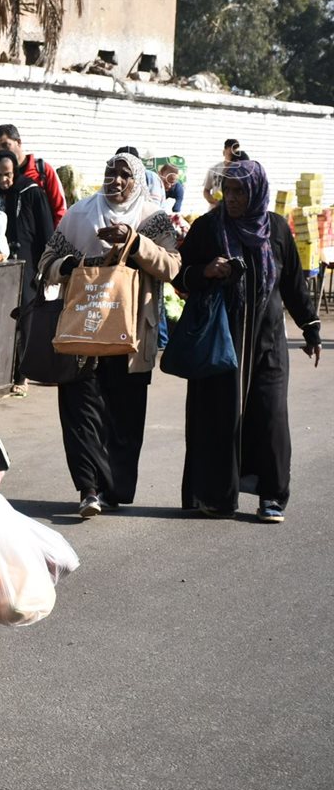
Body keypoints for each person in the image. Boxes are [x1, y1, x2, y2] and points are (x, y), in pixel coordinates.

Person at [174, 159, 321, 522]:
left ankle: (272, 496)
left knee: (270, 416)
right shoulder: (208, 228)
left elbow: (292, 284)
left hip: (267, 341)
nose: (233, 198)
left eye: (240, 191)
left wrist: (311, 327)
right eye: (228, 190)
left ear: (256, 191)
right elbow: (180, 277)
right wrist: (206, 271)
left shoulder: (276, 228)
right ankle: (216, 497)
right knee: (218, 417)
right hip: (220, 341)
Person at [38, 152, 181, 518]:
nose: (115, 180)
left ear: (137, 180)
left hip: (130, 336)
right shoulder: (80, 214)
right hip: (83, 331)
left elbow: (171, 267)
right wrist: (71, 266)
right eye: (110, 173)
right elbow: (47, 262)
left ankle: (112, 487)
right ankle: (88, 488)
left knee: (124, 415)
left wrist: (134, 241)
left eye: (124, 175)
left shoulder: (152, 217)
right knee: (81, 409)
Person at [0, 149, 54, 395]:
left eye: (8, 175)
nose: (4, 180)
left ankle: (21, 376)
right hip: (1, 263)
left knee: (26, 320)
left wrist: (47, 266)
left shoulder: (32, 192)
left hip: (29, 265)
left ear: (15, 172)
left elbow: (46, 231)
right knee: (1, 317)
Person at [0, 124, 66, 226]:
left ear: (19, 142)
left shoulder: (42, 170)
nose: (1, 150)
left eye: (5, 145)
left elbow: (60, 210)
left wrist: (55, 235)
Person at [203, 139, 240, 207]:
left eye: (235, 155)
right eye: (230, 155)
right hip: (215, 210)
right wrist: (213, 201)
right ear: (224, 152)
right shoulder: (214, 169)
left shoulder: (240, 172)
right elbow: (206, 191)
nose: (232, 159)